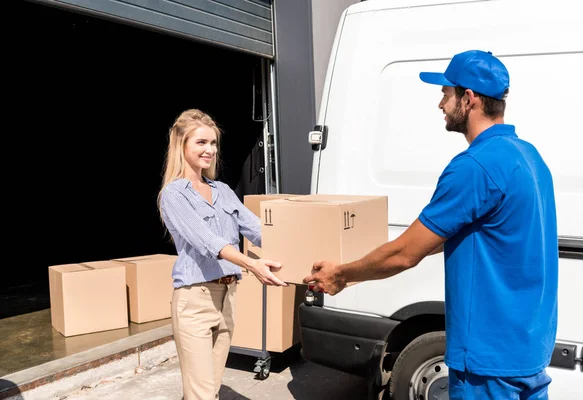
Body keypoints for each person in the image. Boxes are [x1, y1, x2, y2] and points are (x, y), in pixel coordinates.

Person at [304, 50, 558, 399]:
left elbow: (405, 254)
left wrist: (342, 275)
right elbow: (462, 233)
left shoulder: (475, 166)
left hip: (487, 360)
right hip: (528, 349)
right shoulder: (529, 157)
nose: (440, 104)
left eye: (445, 93)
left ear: (468, 99)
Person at [158, 109, 287, 400]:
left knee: (210, 388)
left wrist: (299, 248)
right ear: (182, 145)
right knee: (202, 393)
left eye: (214, 143)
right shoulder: (174, 195)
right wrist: (252, 265)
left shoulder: (223, 191)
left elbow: (257, 229)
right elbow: (208, 243)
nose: (210, 150)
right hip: (194, 299)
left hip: (227, 296)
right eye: (201, 142)